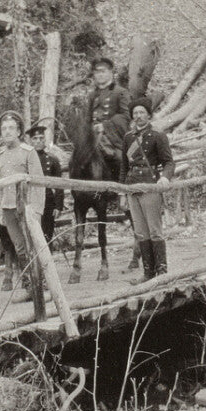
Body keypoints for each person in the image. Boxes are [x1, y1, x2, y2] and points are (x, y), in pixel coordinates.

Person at [87, 56, 142, 270]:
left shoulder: (120, 93)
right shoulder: (92, 95)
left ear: (111, 73)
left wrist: (106, 126)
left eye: (103, 71)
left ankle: (123, 192)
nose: (100, 75)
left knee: (120, 159)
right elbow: (87, 119)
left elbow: (127, 118)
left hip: (115, 138)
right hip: (94, 139)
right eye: (97, 72)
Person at [120, 97, 175, 283]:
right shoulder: (128, 137)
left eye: (142, 112)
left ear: (149, 115)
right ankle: (148, 273)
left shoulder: (158, 135)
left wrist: (165, 177)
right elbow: (123, 166)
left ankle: (162, 272)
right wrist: (122, 192)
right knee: (141, 232)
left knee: (155, 231)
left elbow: (169, 162)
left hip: (150, 186)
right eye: (135, 113)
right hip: (132, 188)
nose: (138, 116)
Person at [0, 112, 46, 299]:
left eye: (11, 128)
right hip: (8, 209)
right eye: (4, 129)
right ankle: (28, 284)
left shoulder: (28, 152)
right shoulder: (0, 156)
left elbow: (39, 183)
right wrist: (0, 211)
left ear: (18, 132)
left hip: (27, 208)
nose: (7, 132)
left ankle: (40, 282)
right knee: (19, 247)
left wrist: (37, 210)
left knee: (33, 244)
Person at [26, 123, 65, 247]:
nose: (38, 141)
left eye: (41, 138)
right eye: (35, 138)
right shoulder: (25, 159)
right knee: (31, 237)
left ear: (45, 140)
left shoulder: (52, 159)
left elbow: (59, 184)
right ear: (30, 141)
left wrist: (58, 206)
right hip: (30, 202)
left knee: (47, 236)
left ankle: (48, 258)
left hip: (48, 202)